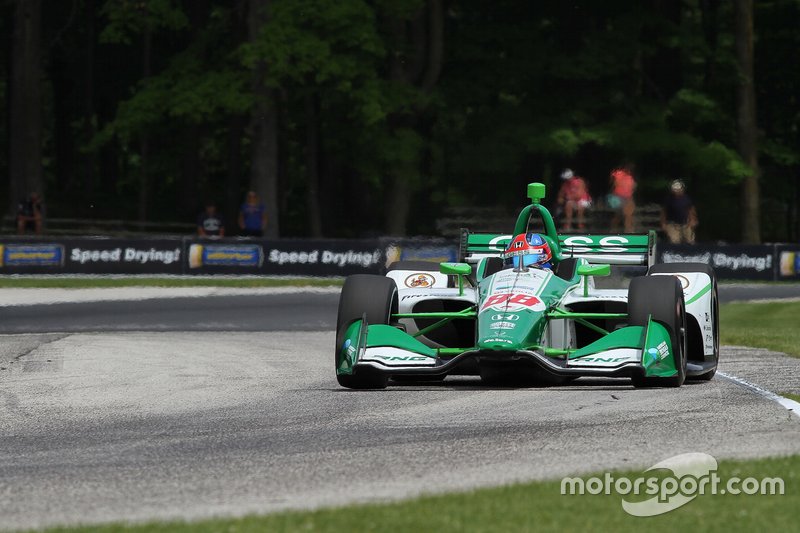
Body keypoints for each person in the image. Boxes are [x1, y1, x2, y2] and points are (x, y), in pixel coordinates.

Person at [661, 179, 698, 244]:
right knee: (675, 242)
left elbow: (691, 210)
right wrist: (663, 223)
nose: (677, 191)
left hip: (686, 224)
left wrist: (693, 219)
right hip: (672, 225)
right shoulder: (668, 199)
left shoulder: (687, 198)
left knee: (690, 241)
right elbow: (664, 212)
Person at [608, 164, 636, 233]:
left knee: (628, 215)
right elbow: (612, 180)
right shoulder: (618, 173)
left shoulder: (630, 177)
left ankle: (628, 230)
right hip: (618, 197)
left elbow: (631, 189)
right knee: (618, 215)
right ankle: (613, 230)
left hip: (628, 197)